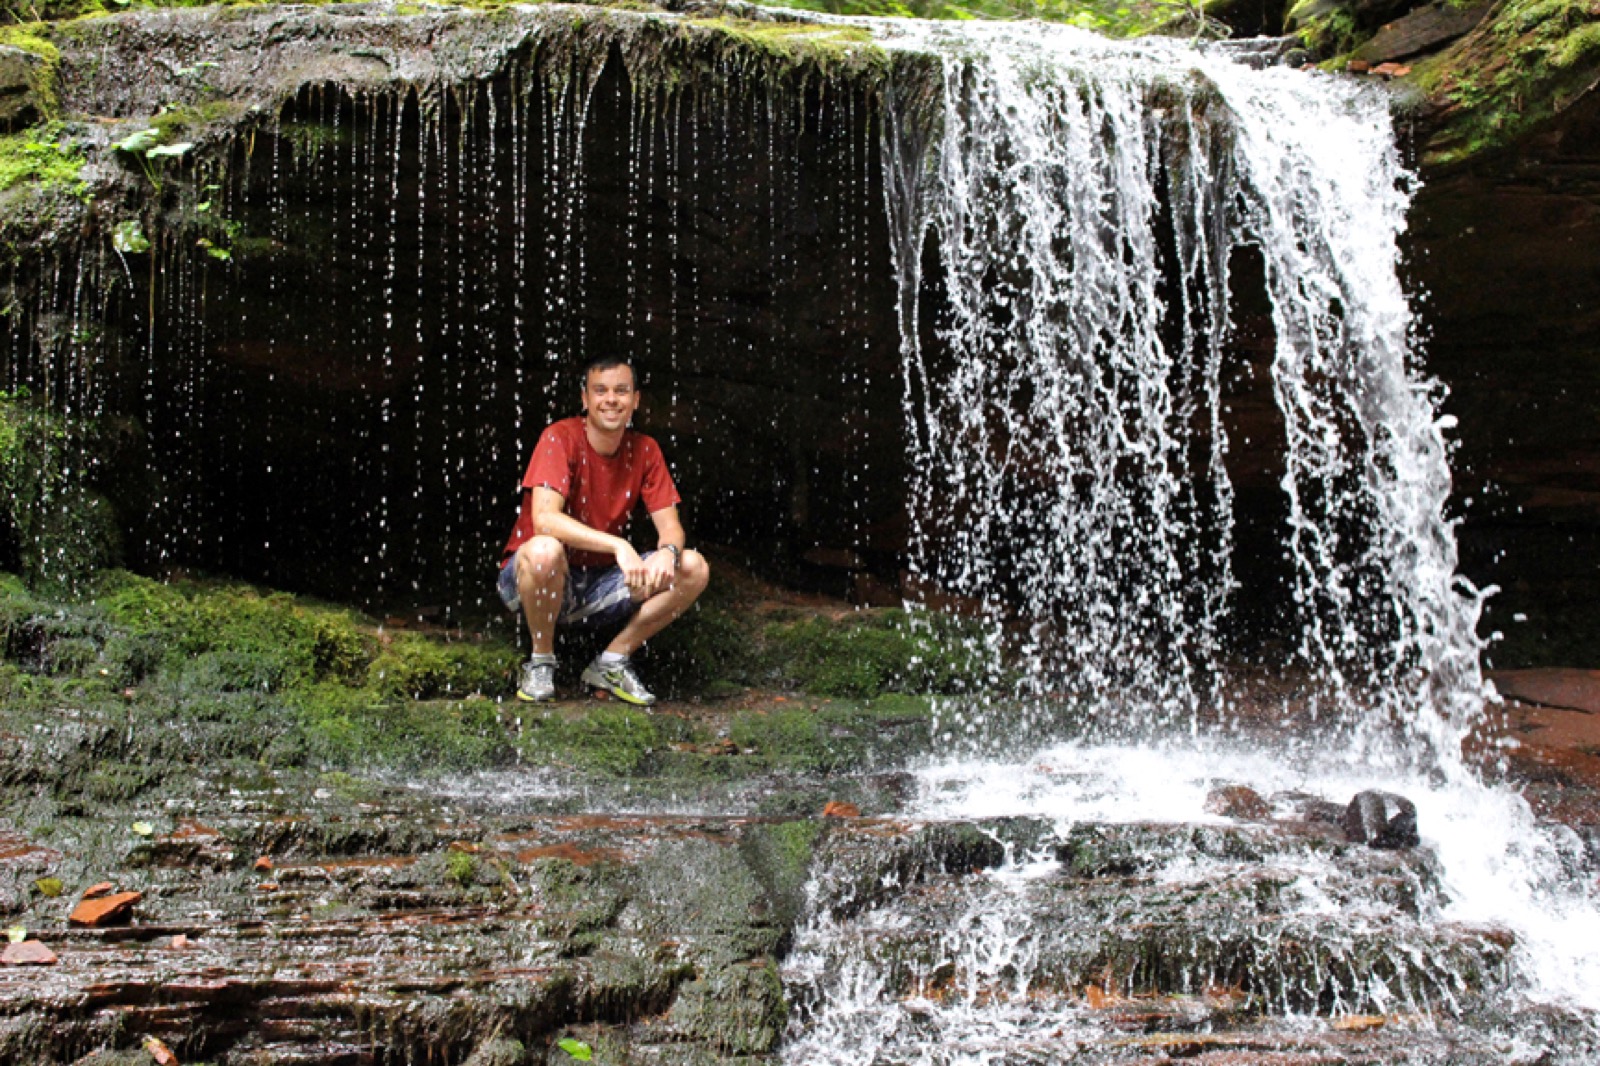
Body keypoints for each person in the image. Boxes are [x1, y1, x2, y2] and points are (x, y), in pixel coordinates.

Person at [496, 356, 709, 706]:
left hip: (598, 586)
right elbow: (545, 519)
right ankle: (541, 660)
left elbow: (670, 526)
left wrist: (667, 552)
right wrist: (618, 546)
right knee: (544, 549)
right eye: (601, 391)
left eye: (621, 391)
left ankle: (611, 661)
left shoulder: (646, 449)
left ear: (636, 400)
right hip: (534, 581)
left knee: (692, 566)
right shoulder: (559, 437)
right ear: (585, 399)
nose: (611, 399)